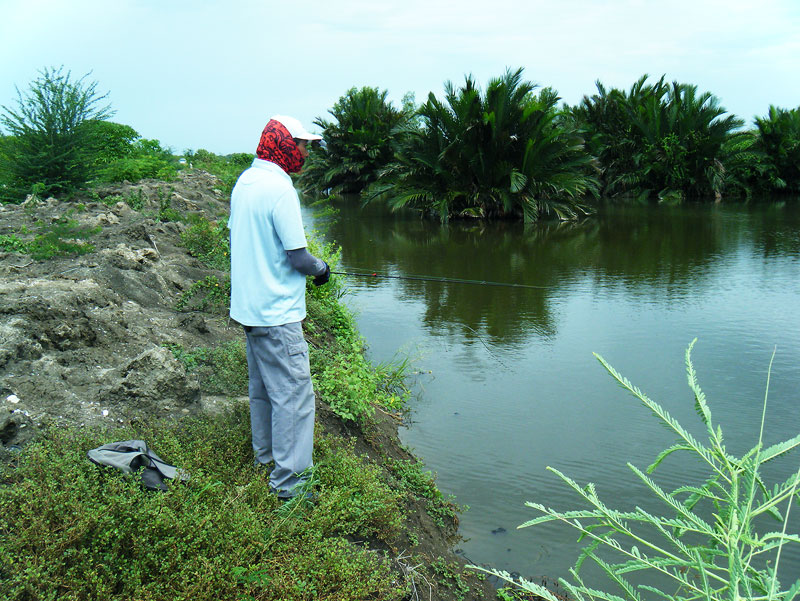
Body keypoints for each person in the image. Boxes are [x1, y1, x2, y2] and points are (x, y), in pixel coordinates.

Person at [228, 115, 330, 500]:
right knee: (294, 396)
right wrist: (323, 270)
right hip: (277, 314)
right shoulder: (280, 189)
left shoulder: (246, 182)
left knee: (264, 390)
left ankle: (267, 458)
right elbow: (299, 258)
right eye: (302, 144)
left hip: (250, 311)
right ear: (283, 144)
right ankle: (291, 486)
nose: (305, 152)